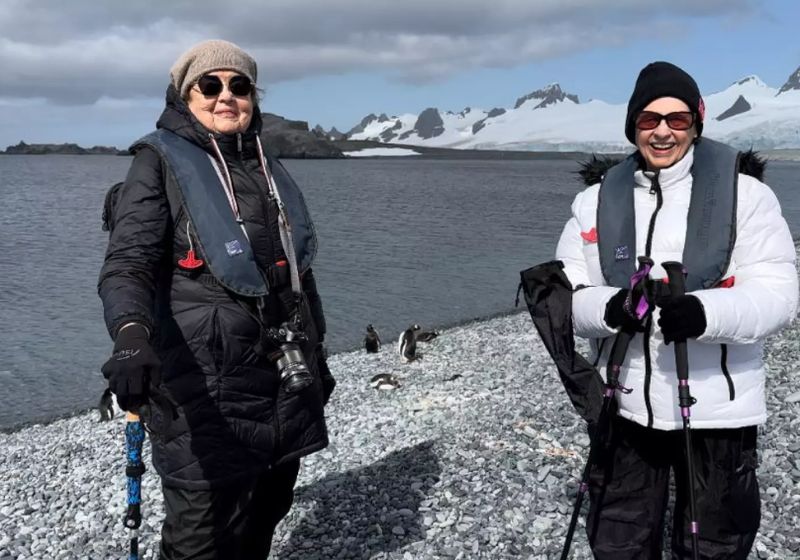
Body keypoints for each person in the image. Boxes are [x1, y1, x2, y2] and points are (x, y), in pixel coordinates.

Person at [98, 39, 336, 559]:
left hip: (282, 375)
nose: (226, 96)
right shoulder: (157, 163)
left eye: (240, 85)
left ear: (254, 96)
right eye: (210, 85)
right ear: (186, 96)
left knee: (267, 507)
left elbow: (299, 271)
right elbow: (127, 264)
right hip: (203, 383)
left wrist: (319, 359)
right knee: (201, 532)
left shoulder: (266, 167)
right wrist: (131, 337)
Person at [555, 61, 798, 559]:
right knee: (617, 537)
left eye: (678, 119)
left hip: (717, 407)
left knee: (713, 542)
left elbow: (778, 296)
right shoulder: (594, 202)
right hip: (622, 405)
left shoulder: (747, 197)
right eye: (649, 119)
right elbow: (565, 299)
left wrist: (705, 313)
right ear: (633, 126)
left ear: (697, 123)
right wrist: (613, 306)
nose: (663, 131)